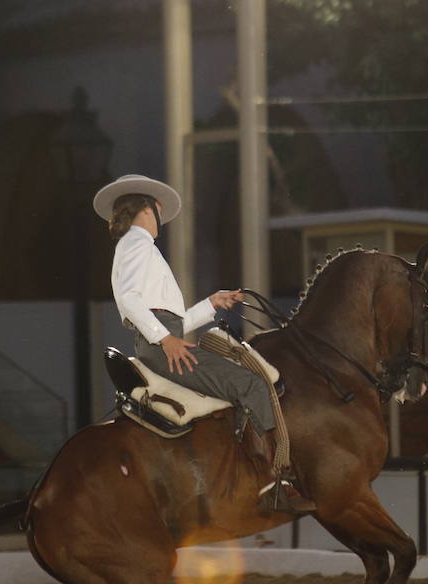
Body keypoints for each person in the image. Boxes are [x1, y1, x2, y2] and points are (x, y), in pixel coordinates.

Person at [93, 173, 315, 516]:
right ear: (149, 210)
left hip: (159, 338)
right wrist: (165, 338)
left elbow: (173, 319)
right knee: (251, 384)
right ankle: (274, 481)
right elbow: (130, 299)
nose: (160, 222)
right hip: (159, 343)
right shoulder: (138, 244)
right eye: (159, 214)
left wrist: (211, 304)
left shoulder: (134, 246)